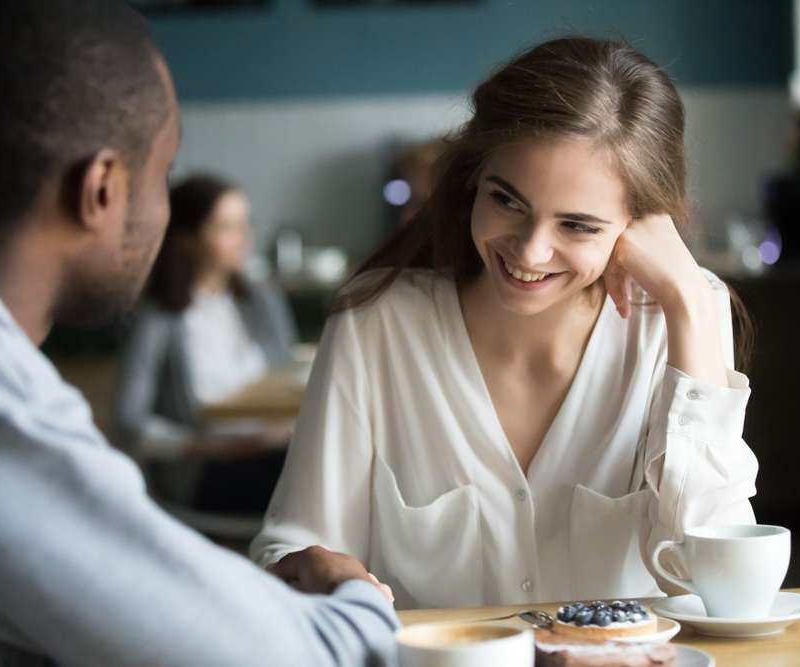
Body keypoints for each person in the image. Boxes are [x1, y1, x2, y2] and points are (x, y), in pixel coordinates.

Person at [0, 1, 397, 665]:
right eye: (163, 171)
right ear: (102, 188)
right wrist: (362, 594)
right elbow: (292, 658)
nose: (166, 209)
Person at [251, 37, 760, 610]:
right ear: (474, 176)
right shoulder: (376, 323)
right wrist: (320, 573)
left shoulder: (678, 317)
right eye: (508, 201)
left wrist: (688, 299)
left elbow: (718, 584)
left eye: (579, 226)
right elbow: (294, 549)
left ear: (638, 225)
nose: (531, 252)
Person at [113, 175, 297, 513]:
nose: (244, 239)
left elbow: (288, 387)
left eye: (245, 225)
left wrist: (279, 432)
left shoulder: (263, 301)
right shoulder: (159, 317)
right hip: (202, 468)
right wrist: (214, 447)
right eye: (226, 228)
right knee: (307, 500)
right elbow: (128, 421)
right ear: (187, 240)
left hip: (274, 451)